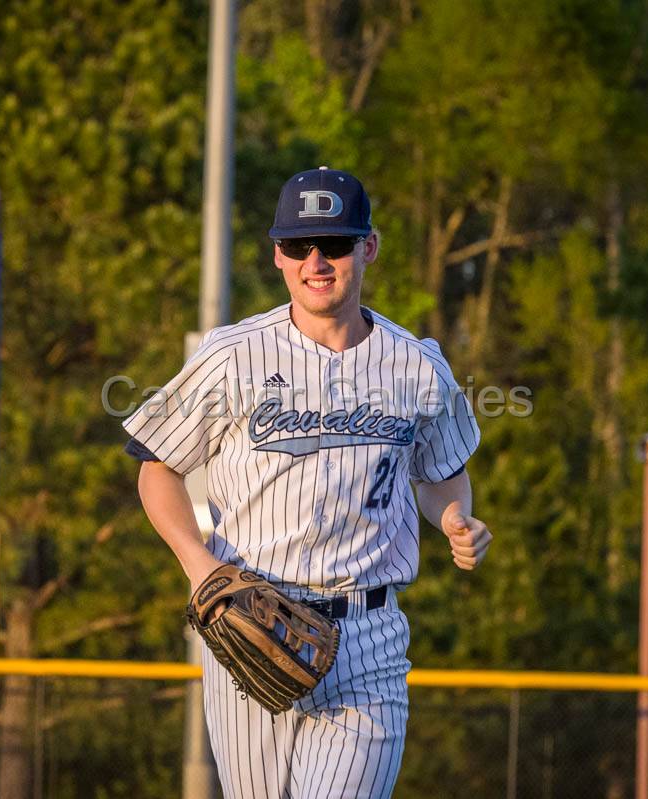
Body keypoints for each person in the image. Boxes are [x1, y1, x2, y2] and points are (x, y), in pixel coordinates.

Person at [123, 166, 492, 798]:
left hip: (367, 635)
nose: (315, 261)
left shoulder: (418, 364)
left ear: (368, 247)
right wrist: (198, 566)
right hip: (252, 619)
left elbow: (442, 476)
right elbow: (157, 465)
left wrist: (454, 518)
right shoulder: (232, 354)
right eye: (298, 246)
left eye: (336, 244)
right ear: (278, 255)